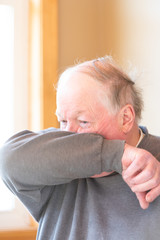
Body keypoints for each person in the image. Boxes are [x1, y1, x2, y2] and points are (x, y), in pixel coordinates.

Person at [0, 56, 160, 239]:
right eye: (63, 121)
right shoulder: (56, 160)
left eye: (83, 122)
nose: (68, 134)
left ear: (125, 118)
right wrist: (116, 155)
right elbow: (9, 159)